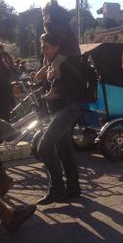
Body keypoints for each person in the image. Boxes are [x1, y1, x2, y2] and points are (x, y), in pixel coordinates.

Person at [35, 33, 83, 205]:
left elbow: (70, 89)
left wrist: (53, 92)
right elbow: (43, 82)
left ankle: (57, 189)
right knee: (64, 150)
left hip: (67, 111)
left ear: (56, 47)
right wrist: (41, 76)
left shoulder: (66, 63)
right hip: (56, 111)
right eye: (42, 47)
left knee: (44, 147)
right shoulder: (48, 62)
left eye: (46, 47)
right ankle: (74, 188)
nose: (43, 50)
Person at [0, 44, 15, 122]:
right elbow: (10, 67)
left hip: (4, 84)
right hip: (4, 85)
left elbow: (10, 67)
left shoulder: (4, 55)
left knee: (5, 109)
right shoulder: (5, 55)